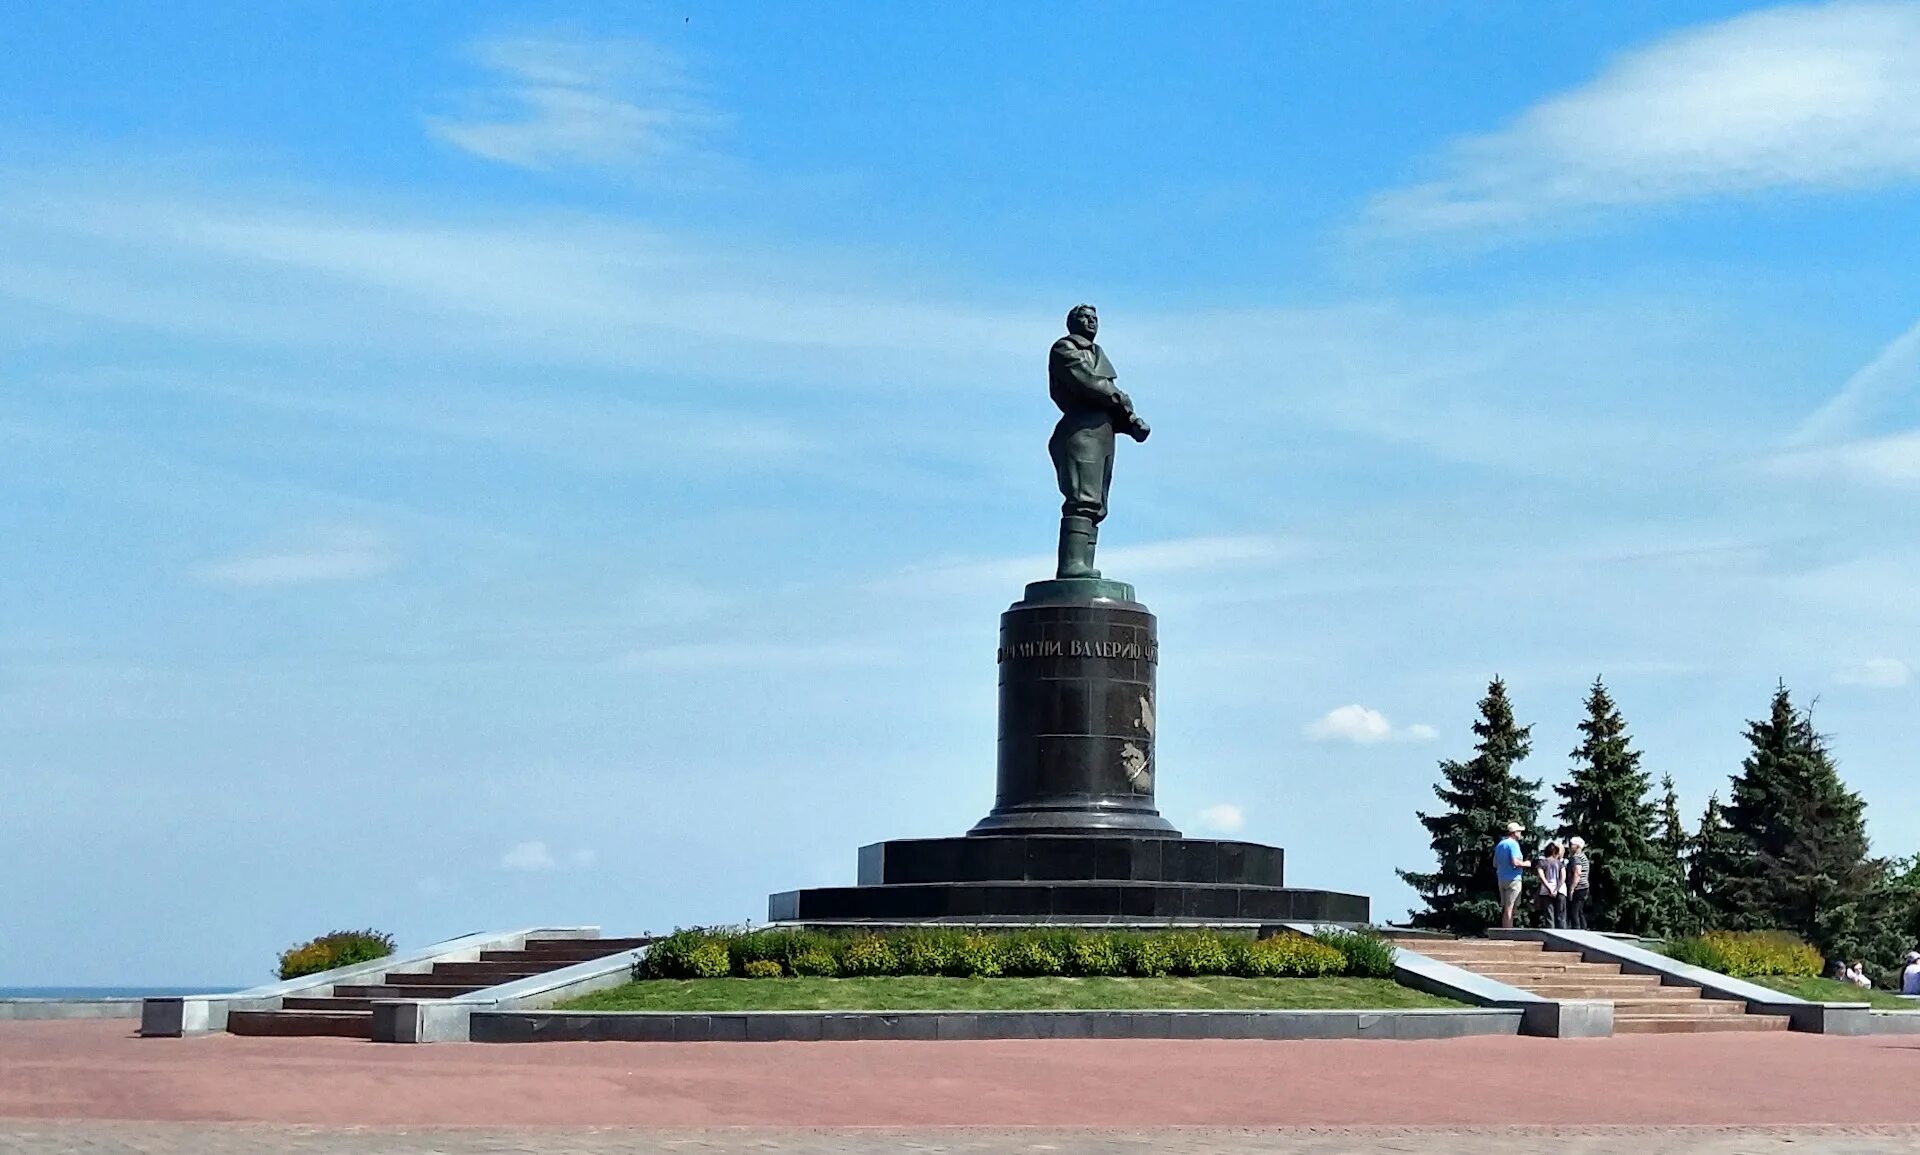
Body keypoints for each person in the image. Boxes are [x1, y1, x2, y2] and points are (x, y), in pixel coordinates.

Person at [1047, 305, 1149, 579]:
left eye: (1095, 318)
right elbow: (1089, 382)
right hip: (1080, 432)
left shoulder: (1096, 354)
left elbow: (1107, 398)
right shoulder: (1065, 349)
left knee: (1097, 504)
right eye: (1084, 317)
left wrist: (1130, 422)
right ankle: (1072, 566)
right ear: (1071, 322)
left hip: (1102, 433)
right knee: (1082, 499)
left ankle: (1084, 566)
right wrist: (1120, 397)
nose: (1091, 322)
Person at [1493, 821, 1531, 930]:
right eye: (1519, 831)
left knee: (1506, 907)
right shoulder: (1513, 844)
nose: (1520, 833)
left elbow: (1495, 863)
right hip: (1513, 879)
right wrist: (1526, 864)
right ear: (1514, 832)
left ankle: (1505, 929)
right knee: (1511, 907)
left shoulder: (1500, 844)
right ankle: (1508, 931)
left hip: (1501, 878)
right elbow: (1515, 862)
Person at [1534, 841, 1566, 929]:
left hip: (1545, 891)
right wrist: (1557, 889)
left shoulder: (1541, 862)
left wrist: (1549, 888)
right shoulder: (1560, 863)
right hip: (1560, 891)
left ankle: (1551, 936)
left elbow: (1541, 876)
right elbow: (1563, 877)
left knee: (1549, 916)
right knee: (1560, 916)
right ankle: (1562, 937)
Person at [1564, 836, 1592, 930]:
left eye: (1571, 845)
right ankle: (1583, 928)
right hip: (1584, 887)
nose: (1569, 847)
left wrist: (1572, 888)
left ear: (1577, 846)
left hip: (1579, 887)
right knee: (1579, 911)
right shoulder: (1583, 857)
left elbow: (1577, 873)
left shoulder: (1576, 858)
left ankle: (1577, 930)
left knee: (1574, 912)